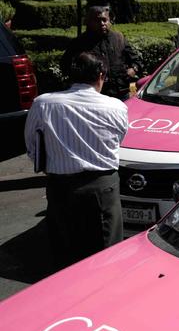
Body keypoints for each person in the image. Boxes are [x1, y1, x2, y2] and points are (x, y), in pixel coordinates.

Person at [25, 52, 129, 267]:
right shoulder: (116, 106)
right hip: (102, 187)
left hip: (60, 186)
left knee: (64, 256)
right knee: (105, 256)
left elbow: (32, 146)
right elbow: (117, 139)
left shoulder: (43, 103)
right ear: (101, 75)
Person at [60, 5, 141, 101]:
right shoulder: (79, 43)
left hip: (121, 92)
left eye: (104, 20)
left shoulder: (119, 38)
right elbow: (65, 66)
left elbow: (136, 60)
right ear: (89, 22)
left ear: (109, 20)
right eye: (97, 20)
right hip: (94, 96)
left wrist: (133, 69)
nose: (102, 23)